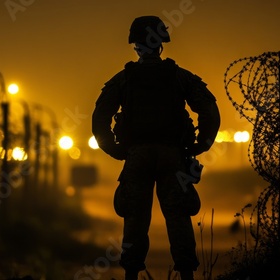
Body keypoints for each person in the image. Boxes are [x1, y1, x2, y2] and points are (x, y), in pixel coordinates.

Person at [91, 15, 221, 280]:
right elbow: (209, 110)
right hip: (173, 156)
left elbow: (100, 118)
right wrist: (200, 145)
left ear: (135, 45)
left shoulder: (123, 79)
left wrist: (115, 150)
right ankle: (186, 274)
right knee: (178, 216)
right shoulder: (180, 77)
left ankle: (131, 274)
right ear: (161, 44)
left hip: (136, 157)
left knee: (134, 220)